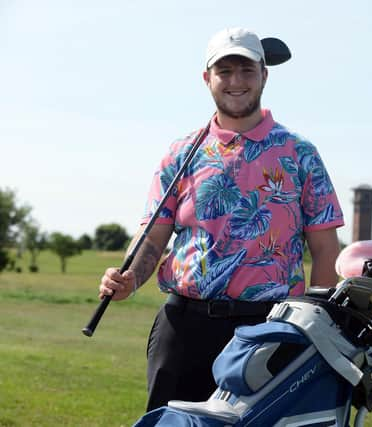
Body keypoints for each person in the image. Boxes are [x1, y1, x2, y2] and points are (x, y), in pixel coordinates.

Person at [98, 27, 344, 411]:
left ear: (264, 75)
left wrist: (314, 327)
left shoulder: (300, 153)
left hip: (271, 328)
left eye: (247, 70)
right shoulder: (181, 153)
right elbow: (153, 236)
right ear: (207, 79)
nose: (236, 82)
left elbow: (326, 249)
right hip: (185, 327)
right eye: (224, 71)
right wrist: (131, 276)